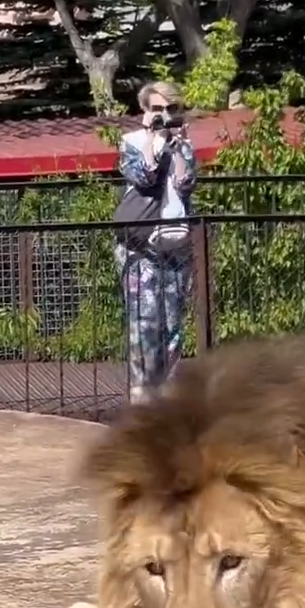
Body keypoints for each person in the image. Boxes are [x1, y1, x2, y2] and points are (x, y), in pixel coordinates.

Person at [112, 80, 198, 405]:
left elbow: (186, 184)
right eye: (157, 109)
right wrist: (151, 139)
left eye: (171, 108)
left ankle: (168, 398)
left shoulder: (182, 144)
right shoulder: (131, 142)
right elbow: (144, 177)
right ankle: (142, 397)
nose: (165, 114)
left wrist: (178, 148)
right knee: (144, 325)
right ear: (145, 111)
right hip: (140, 248)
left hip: (175, 245)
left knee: (173, 327)